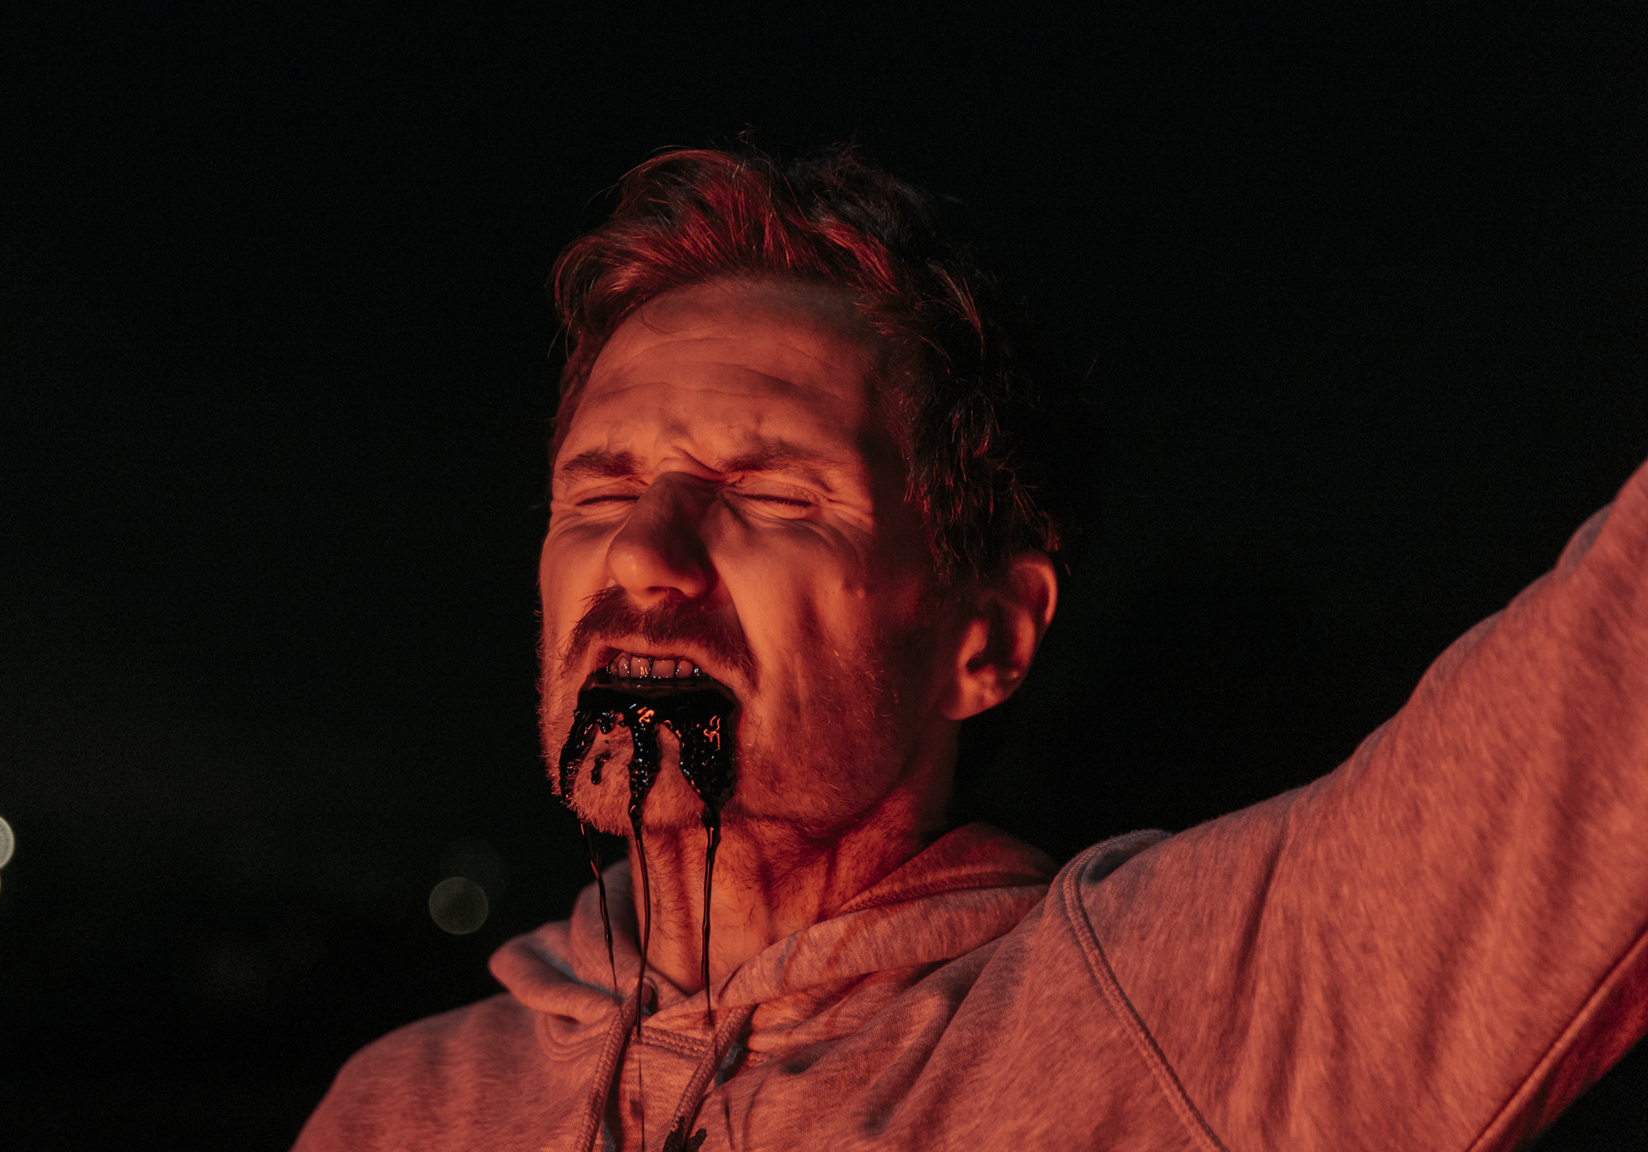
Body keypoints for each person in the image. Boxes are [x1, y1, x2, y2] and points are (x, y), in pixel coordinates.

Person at [293, 147, 1648, 1151]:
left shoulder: (1167, 1021)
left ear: (985, 638)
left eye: (773, 495)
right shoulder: (399, 1109)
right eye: (599, 492)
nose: (643, 554)